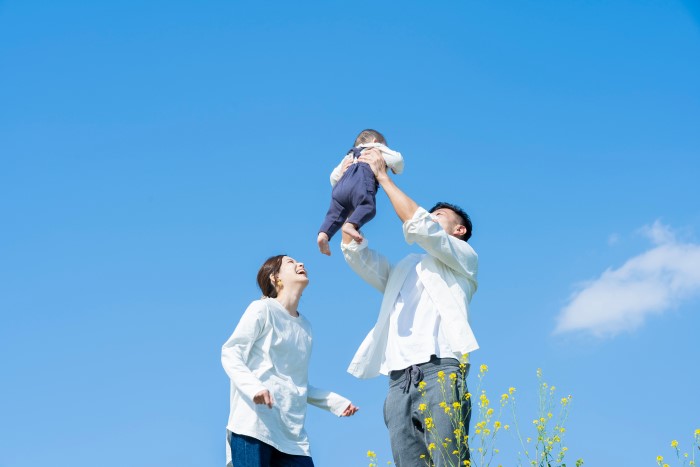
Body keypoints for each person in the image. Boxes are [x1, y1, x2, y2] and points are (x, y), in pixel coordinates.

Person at [340, 148, 479, 467]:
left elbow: (420, 227)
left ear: (459, 231)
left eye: (440, 216)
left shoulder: (463, 259)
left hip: (440, 369)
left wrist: (383, 177)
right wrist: (352, 233)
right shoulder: (407, 265)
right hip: (399, 380)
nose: (432, 218)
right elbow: (370, 266)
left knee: (449, 460)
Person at [221, 255, 359, 467]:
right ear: (275, 277)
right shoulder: (262, 309)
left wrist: (333, 402)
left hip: (293, 439)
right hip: (254, 426)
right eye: (291, 262)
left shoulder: (306, 328)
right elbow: (230, 352)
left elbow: (297, 384)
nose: (301, 264)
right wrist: (254, 387)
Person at [317, 129, 404, 256]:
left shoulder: (349, 156)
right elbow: (397, 159)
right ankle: (351, 225)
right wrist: (395, 169)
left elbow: (333, 177)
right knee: (368, 207)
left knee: (334, 214)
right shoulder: (375, 149)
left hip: (340, 187)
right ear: (375, 141)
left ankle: (323, 234)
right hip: (361, 182)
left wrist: (343, 177)